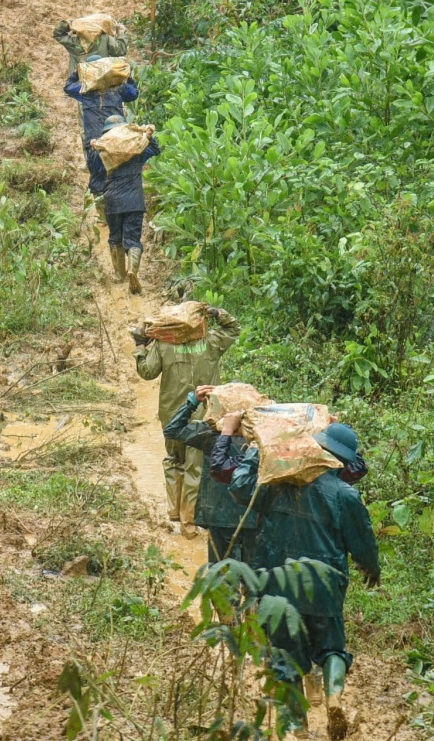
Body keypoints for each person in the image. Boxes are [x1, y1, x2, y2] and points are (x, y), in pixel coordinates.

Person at [224, 419, 379, 740]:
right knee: (332, 648)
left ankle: (297, 726)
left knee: (286, 657)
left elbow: (238, 487)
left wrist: (256, 451)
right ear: (340, 459)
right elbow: (362, 541)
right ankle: (334, 696)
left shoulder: (275, 483)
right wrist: (370, 568)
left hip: (278, 587)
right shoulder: (345, 495)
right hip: (325, 586)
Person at [132, 304, 240, 537]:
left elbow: (147, 372)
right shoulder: (210, 343)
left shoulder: (163, 345)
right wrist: (218, 312)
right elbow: (233, 328)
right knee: (195, 466)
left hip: (171, 415)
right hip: (202, 416)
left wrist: (140, 345)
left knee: (174, 460)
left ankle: (174, 512)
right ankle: (188, 523)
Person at [161, 384, 258, 562]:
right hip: (253, 518)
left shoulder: (211, 435)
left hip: (218, 517)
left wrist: (191, 403)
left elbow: (172, 430)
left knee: (221, 575)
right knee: (252, 578)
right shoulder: (262, 437)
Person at [56, 21, 135, 216]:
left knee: (97, 169)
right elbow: (133, 94)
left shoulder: (84, 90)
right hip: (115, 132)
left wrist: (78, 73)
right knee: (117, 167)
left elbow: (68, 87)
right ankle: (120, 207)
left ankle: (102, 212)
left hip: (93, 138)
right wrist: (127, 76)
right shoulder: (117, 88)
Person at [97, 115, 159, 292]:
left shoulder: (103, 152)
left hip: (112, 202)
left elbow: (94, 170)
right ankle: (133, 270)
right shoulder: (137, 152)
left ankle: (119, 275)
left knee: (115, 237)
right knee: (132, 239)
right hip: (134, 201)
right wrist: (146, 135)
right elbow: (155, 149)